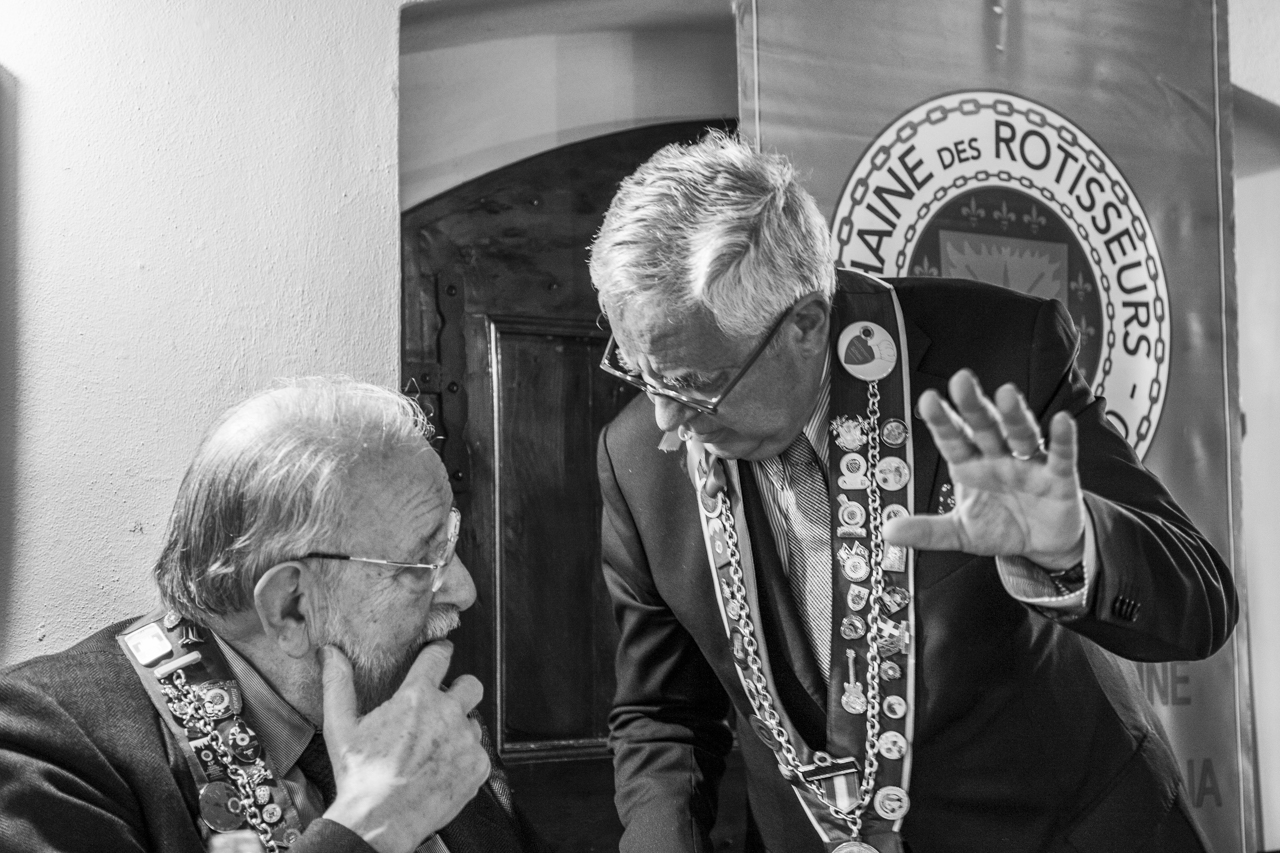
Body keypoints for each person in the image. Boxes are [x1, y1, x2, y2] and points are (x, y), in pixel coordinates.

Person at [589, 132, 1237, 853]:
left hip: (1059, 830)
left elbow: (1202, 606)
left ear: (805, 324)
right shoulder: (635, 456)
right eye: (642, 374)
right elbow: (663, 714)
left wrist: (1074, 545)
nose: (666, 420)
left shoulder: (995, 356)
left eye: (697, 383)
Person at [0, 378, 541, 853]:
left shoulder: (420, 712)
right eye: (424, 563)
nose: (464, 590)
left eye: (449, 545)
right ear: (291, 608)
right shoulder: (48, 750)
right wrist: (373, 826)